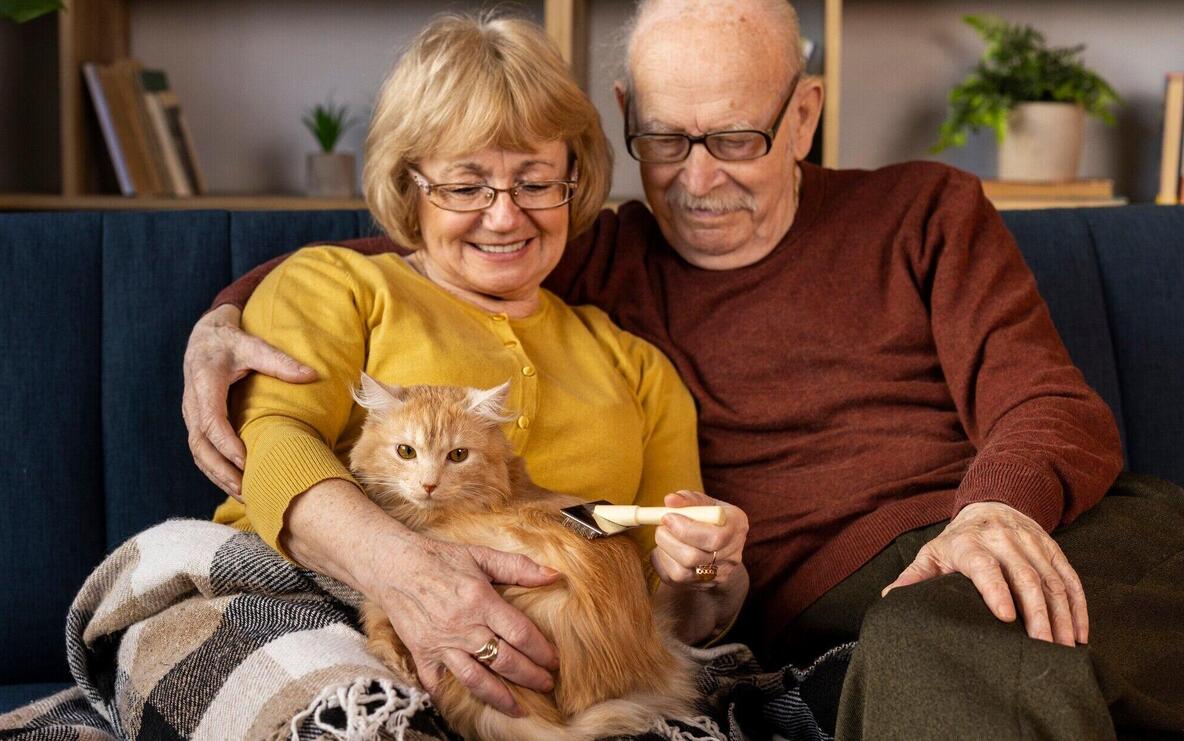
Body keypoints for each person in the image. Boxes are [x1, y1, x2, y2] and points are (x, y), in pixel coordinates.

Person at [184, 1, 1184, 738]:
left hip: (1039, 526)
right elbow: (427, 240)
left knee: (948, 645)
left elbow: (1048, 402)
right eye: (664, 139)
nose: (698, 179)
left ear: (804, 116)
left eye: (739, 137)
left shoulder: (923, 211)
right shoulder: (601, 253)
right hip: (870, 615)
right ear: (624, 121)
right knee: (934, 654)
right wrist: (223, 316)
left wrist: (995, 510)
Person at [205, 12, 751, 721]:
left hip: (572, 667)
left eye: (534, 182)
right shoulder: (334, 286)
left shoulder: (635, 366)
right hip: (318, 606)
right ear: (410, 186)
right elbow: (271, 445)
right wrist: (405, 574)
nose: (504, 218)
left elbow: (669, 607)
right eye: (465, 187)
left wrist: (713, 568)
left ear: (573, 180)